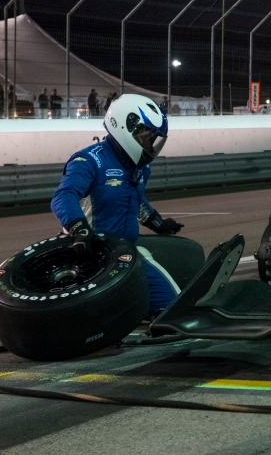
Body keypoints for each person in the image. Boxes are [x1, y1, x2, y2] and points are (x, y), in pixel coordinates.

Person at [50, 94, 188, 317]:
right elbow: (63, 196)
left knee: (171, 306)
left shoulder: (140, 168)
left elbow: (137, 201)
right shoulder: (89, 160)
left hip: (125, 252)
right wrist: (80, 229)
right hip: (89, 253)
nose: (151, 144)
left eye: (155, 138)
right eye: (147, 135)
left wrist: (158, 224)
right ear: (125, 125)